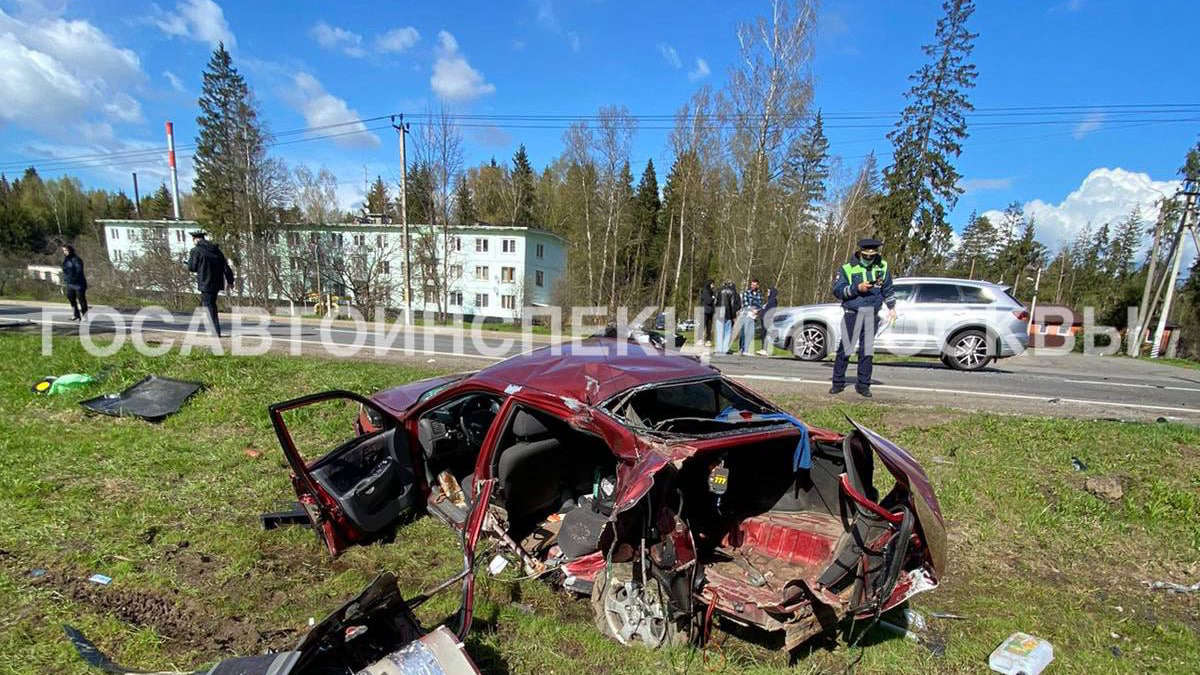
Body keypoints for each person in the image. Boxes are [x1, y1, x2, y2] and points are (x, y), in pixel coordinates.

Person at [830, 238, 896, 397]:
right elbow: (838, 291)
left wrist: (892, 308)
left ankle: (863, 385)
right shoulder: (847, 268)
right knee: (845, 349)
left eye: (872, 256)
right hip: (852, 314)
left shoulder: (883, 266)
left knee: (866, 352)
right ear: (860, 253)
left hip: (871, 315)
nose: (869, 259)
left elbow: (887, 289)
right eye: (866, 256)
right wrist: (856, 288)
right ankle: (838, 383)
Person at [187, 231, 234, 337]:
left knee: (209, 307)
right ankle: (213, 330)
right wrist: (230, 281)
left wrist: (188, 263)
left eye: (193, 239)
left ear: (196, 239)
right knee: (210, 305)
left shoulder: (196, 250)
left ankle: (215, 331)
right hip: (217, 283)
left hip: (205, 283)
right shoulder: (216, 250)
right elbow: (225, 267)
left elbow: (192, 267)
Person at [60, 244, 88, 321]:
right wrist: (66, 279)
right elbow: (65, 270)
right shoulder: (66, 260)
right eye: (63, 250)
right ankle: (76, 315)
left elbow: (79, 271)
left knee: (81, 299)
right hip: (70, 283)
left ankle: (85, 316)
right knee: (71, 298)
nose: (64, 252)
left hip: (79, 283)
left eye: (66, 250)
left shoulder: (77, 259)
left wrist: (73, 278)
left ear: (70, 250)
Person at [737, 278, 763, 355]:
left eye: (755, 285)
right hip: (746, 314)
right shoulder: (746, 293)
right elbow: (745, 303)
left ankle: (746, 349)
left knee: (750, 333)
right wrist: (752, 309)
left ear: (757, 285)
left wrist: (757, 311)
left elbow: (760, 304)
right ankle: (741, 348)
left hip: (754, 316)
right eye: (752, 284)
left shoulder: (759, 294)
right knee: (743, 333)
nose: (753, 286)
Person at [715, 280, 740, 354]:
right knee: (727, 333)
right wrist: (733, 316)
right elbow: (733, 305)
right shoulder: (733, 292)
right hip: (728, 314)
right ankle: (725, 349)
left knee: (719, 332)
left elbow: (715, 303)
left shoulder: (718, 291)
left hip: (719, 314)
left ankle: (719, 348)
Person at [755, 286, 778, 356]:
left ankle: (765, 349)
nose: (767, 293)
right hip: (764, 319)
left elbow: (769, 311)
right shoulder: (769, 300)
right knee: (764, 334)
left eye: (768, 291)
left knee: (765, 335)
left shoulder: (773, 300)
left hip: (767, 319)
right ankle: (763, 349)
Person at [699, 280, 715, 347]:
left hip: (710, 311)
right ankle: (700, 340)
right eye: (712, 284)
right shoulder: (705, 291)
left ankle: (708, 340)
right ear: (709, 284)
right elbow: (708, 301)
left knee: (709, 326)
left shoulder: (711, 291)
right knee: (703, 325)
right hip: (705, 311)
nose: (713, 285)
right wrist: (713, 298)